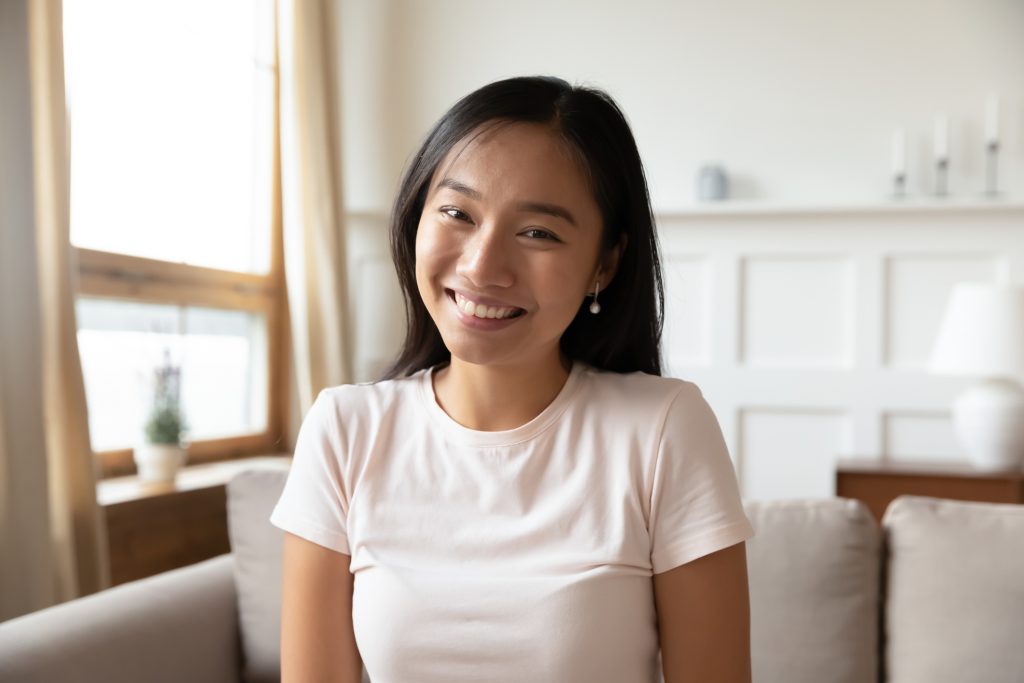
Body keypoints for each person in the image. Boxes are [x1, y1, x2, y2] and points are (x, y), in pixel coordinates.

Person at [269, 75, 755, 683]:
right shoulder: (344, 430)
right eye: (457, 213)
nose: (482, 266)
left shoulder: (662, 428)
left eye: (538, 233)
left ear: (603, 263)